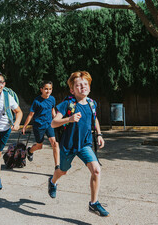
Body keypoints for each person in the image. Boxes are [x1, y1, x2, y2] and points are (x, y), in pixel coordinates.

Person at [50, 71, 109, 217]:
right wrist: (68, 119)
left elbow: (94, 119)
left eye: (85, 84)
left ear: (89, 87)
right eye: (78, 85)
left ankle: (93, 203)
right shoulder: (67, 104)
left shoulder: (92, 103)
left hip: (85, 145)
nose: (82, 87)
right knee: (62, 171)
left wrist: (99, 134)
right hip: (67, 145)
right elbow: (53, 123)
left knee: (96, 170)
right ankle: (52, 181)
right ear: (72, 90)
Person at [22, 81, 59, 168]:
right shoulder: (37, 101)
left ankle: (57, 166)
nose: (48, 91)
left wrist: (56, 119)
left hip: (49, 124)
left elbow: (52, 110)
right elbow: (31, 114)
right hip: (38, 126)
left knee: (54, 143)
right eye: (46, 89)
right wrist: (24, 126)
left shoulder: (52, 99)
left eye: (50, 89)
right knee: (39, 146)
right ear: (41, 89)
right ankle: (30, 151)